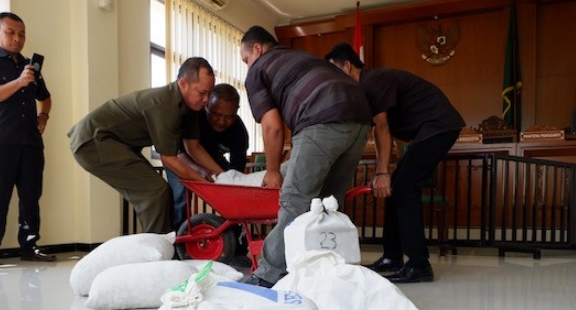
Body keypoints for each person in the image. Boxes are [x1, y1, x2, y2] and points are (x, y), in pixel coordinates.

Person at [239, 26, 372, 287]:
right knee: (328, 202)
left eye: (245, 60)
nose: (247, 66)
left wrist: (273, 170)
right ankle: (326, 273)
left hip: (321, 116)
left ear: (257, 49)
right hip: (360, 118)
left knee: (295, 200)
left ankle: (268, 276)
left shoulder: (259, 69)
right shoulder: (298, 57)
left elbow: (272, 126)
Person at [325, 42, 466, 283]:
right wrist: (392, 170)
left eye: (333, 70)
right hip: (428, 130)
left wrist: (382, 172)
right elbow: (395, 130)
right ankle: (392, 256)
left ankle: (419, 265)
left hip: (439, 126)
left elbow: (382, 127)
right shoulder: (367, 87)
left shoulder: (372, 81)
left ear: (347, 66)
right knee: (395, 189)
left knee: (403, 188)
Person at [68, 58, 224, 234]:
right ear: (183, 84)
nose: (206, 99)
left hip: (116, 142)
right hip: (94, 141)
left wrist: (224, 176)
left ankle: (161, 245)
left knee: (155, 192)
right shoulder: (165, 105)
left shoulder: (191, 108)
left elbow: (194, 148)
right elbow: (170, 159)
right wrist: (207, 186)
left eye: (209, 93)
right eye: (202, 92)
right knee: (155, 191)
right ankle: (157, 251)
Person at [0, 12, 56, 268]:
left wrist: (44, 116)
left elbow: (46, 96)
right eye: (11, 32)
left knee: (31, 196)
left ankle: (29, 246)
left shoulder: (30, 65)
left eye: (22, 34)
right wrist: (19, 82)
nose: (17, 39)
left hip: (30, 141)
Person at [164, 83, 249, 229]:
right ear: (206, 105)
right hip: (180, 158)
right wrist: (200, 171)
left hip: (212, 159)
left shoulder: (239, 132)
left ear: (237, 111)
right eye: (216, 114)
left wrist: (227, 182)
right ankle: (179, 238)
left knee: (234, 189)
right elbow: (178, 154)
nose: (222, 121)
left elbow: (236, 170)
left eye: (229, 117)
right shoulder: (194, 118)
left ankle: (236, 237)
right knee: (180, 194)